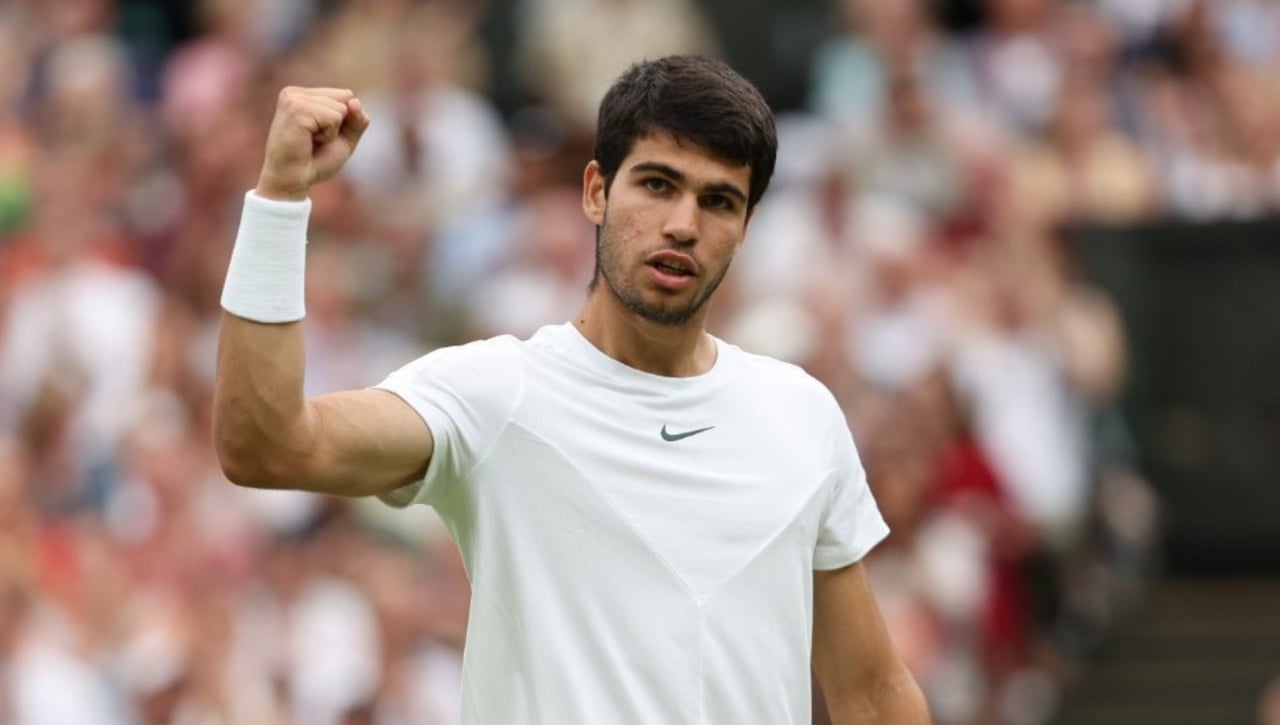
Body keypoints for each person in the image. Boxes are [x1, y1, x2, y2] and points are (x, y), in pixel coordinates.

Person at [213, 55, 930, 724]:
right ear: (596, 191)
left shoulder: (801, 413)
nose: (683, 225)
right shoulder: (494, 394)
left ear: (744, 228)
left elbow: (871, 690)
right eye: (657, 184)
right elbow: (266, 446)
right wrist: (279, 197)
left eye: (718, 201)